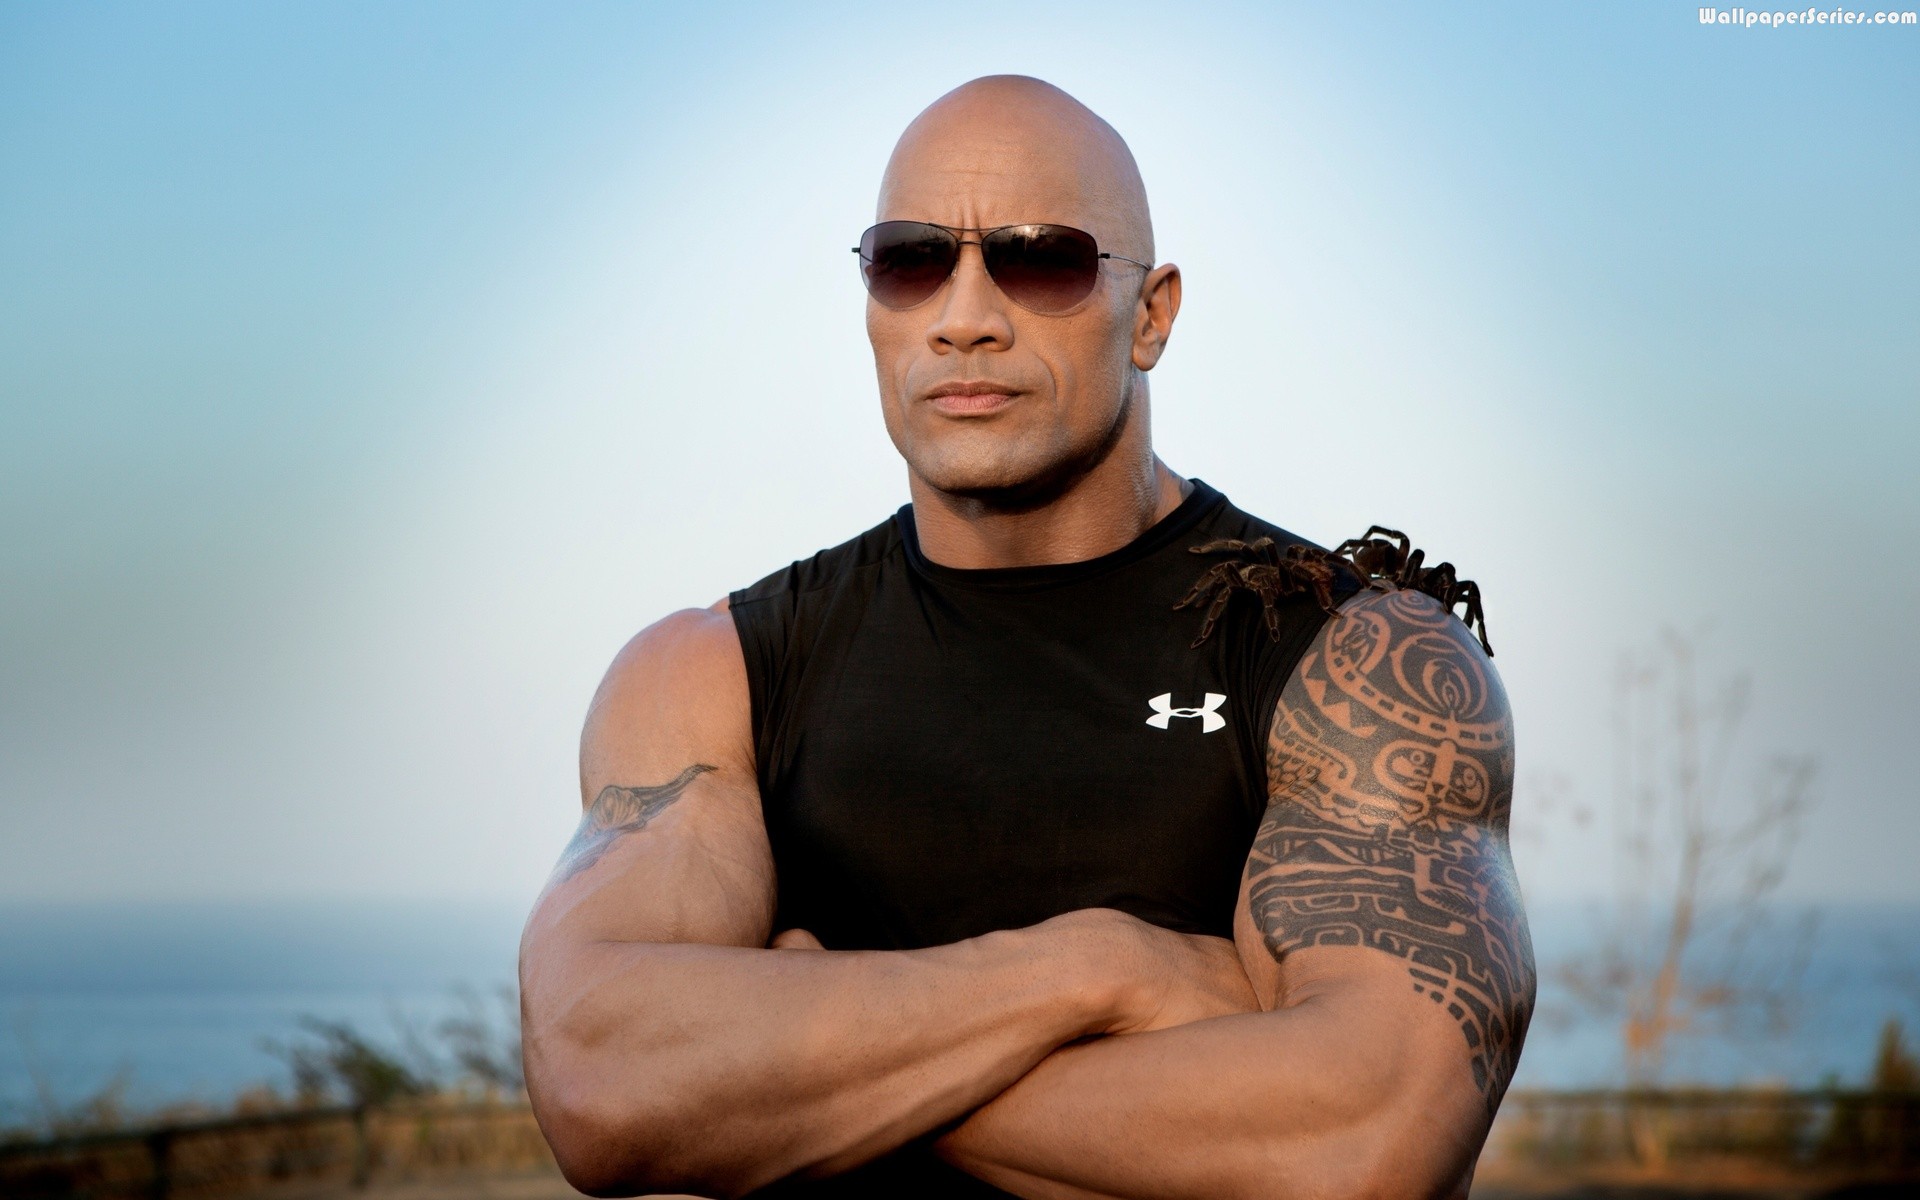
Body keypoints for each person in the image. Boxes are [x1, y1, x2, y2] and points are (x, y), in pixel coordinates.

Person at [518, 75, 1534, 1200]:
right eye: (910, 261)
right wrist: (1098, 969)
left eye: (1040, 260)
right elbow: (601, 1079)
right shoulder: (715, 675)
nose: (964, 315)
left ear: (1150, 315)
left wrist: (785, 1065)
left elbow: (1362, 1144)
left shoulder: (1354, 665)